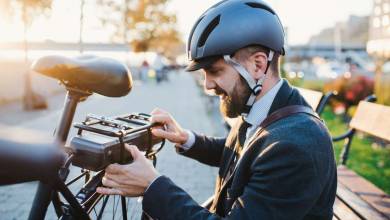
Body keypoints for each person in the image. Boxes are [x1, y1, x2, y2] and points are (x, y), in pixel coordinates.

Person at [97, 1, 337, 219]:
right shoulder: (268, 109)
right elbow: (244, 153)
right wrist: (186, 138)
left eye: (214, 71)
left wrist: (153, 186)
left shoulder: (295, 145)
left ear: (258, 65)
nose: (207, 85)